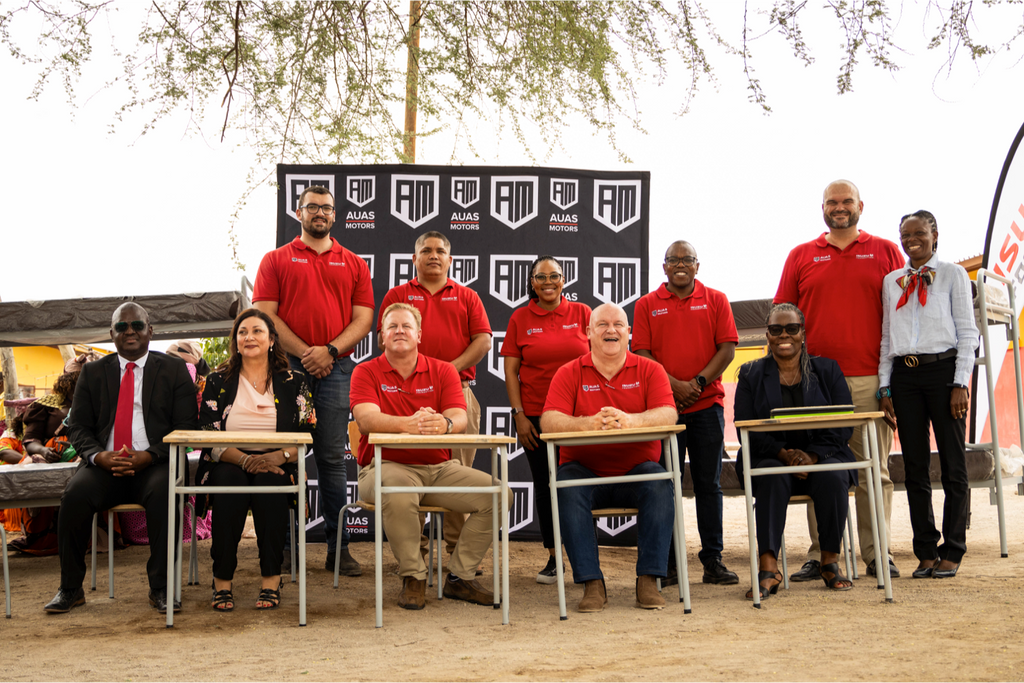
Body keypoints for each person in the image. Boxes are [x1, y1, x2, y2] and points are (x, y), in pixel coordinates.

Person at [774, 179, 905, 581]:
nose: (840, 207)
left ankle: (876, 554)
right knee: (818, 464)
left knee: (873, 470)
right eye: (833, 201)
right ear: (823, 207)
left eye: (847, 201)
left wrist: (890, 382)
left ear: (861, 205)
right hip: (815, 382)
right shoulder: (801, 255)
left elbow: (902, 317)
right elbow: (782, 316)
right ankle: (822, 554)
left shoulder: (885, 251)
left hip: (870, 377)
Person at [45, 303, 198, 614]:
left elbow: (186, 428)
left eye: (138, 326)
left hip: (153, 463)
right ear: (111, 334)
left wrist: (149, 455)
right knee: (73, 496)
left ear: (150, 331)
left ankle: (162, 588)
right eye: (122, 327)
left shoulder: (173, 370)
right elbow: (79, 427)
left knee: (165, 495)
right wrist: (98, 456)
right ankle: (70, 588)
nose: (130, 331)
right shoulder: (92, 372)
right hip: (105, 466)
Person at [253, 185, 374, 576]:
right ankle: (286, 548)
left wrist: (330, 352)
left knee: (332, 462)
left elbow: (364, 318)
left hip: (338, 370)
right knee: (288, 458)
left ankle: (339, 550)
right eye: (312, 207)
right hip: (287, 369)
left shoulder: (354, 262)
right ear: (298, 212)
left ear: (335, 215)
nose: (319, 213)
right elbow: (264, 314)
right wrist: (309, 352)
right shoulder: (276, 259)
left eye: (326, 208)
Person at [350, 303, 501, 611]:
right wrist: (411, 423)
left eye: (406, 326)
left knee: (499, 495)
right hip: (383, 466)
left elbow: (459, 417)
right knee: (398, 490)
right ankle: (414, 576)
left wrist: (444, 424)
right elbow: (366, 420)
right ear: (381, 337)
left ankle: (460, 577)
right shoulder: (365, 371)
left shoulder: (443, 370)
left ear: (419, 335)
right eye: (392, 327)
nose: (399, 331)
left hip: (439, 468)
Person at [541, 303, 678, 613]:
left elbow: (668, 414)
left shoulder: (650, 369)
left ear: (629, 332)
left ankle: (648, 579)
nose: (611, 330)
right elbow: (549, 420)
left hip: (636, 470)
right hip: (584, 471)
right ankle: (592, 583)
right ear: (588, 333)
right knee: (565, 485)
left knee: (659, 481)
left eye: (618, 324)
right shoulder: (569, 372)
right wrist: (588, 422)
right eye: (602, 324)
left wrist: (631, 420)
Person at [377, 231, 491, 561]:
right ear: (414, 259)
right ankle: (416, 556)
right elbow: (384, 341)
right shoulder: (397, 295)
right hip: (404, 394)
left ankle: (457, 558)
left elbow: (483, 341)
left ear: (450, 260)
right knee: (408, 471)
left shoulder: (467, 296)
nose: (433, 255)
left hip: (458, 394)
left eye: (440, 251)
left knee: (458, 475)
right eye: (425, 250)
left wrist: (446, 373)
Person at [879, 211, 978, 579]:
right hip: (905, 376)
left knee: (954, 464)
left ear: (935, 235)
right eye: (905, 234)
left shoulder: (953, 275)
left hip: (944, 373)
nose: (911, 240)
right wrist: (885, 386)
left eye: (919, 233)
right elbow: (887, 337)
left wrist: (960, 383)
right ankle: (925, 551)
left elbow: (968, 333)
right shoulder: (893, 281)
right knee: (915, 466)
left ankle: (953, 549)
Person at [633, 240, 739, 586]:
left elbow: (727, 348)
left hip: (707, 406)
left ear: (697, 265)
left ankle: (713, 560)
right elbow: (643, 353)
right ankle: (670, 563)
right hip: (665, 409)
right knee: (667, 486)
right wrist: (674, 386)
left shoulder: (716, 299)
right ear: (664, 267)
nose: (680, 265)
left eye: (687, 259)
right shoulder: (647, 304)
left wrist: (696, 383)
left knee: (709, 485)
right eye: (673, 260)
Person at [195, 308, 316, 611]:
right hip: (228, 461)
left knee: (270, 484)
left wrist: (275, 457)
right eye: (242, 332)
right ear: (235, 342)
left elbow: (308, 431)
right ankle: (222, 581)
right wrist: (245, 461)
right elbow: (207, 432)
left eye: (257, 331)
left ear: (272, 340)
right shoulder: (217, 380)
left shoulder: (294, 381)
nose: (249, 337)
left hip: (278, 462)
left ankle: (271, 580)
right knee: (229, 484)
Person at [734, 303, 857, 599]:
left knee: (831, 477)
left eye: (791, 328)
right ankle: (769, 568)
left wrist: (812, 456)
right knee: (773, 477)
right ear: (767, 335)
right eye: (776, 330)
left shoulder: (827, 370)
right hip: (770, 455)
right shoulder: (751, 374)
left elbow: (843, 424)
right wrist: (784, 455)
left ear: (803, 333)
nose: (783, 335)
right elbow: (745, 427)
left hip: (822, 456)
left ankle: (829, 562)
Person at [500, 255, 591, 584]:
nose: (549, 282)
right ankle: (555, 557)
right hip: (536, 417)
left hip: (580, 416)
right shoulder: (520, 318)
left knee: (580, 482)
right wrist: (520, 415)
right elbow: (510, 371)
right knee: (546, 485)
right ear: (532, 282)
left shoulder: (583, 314)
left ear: (564, 280)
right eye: (542, 277)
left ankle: (585, 555)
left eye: (555, 276)